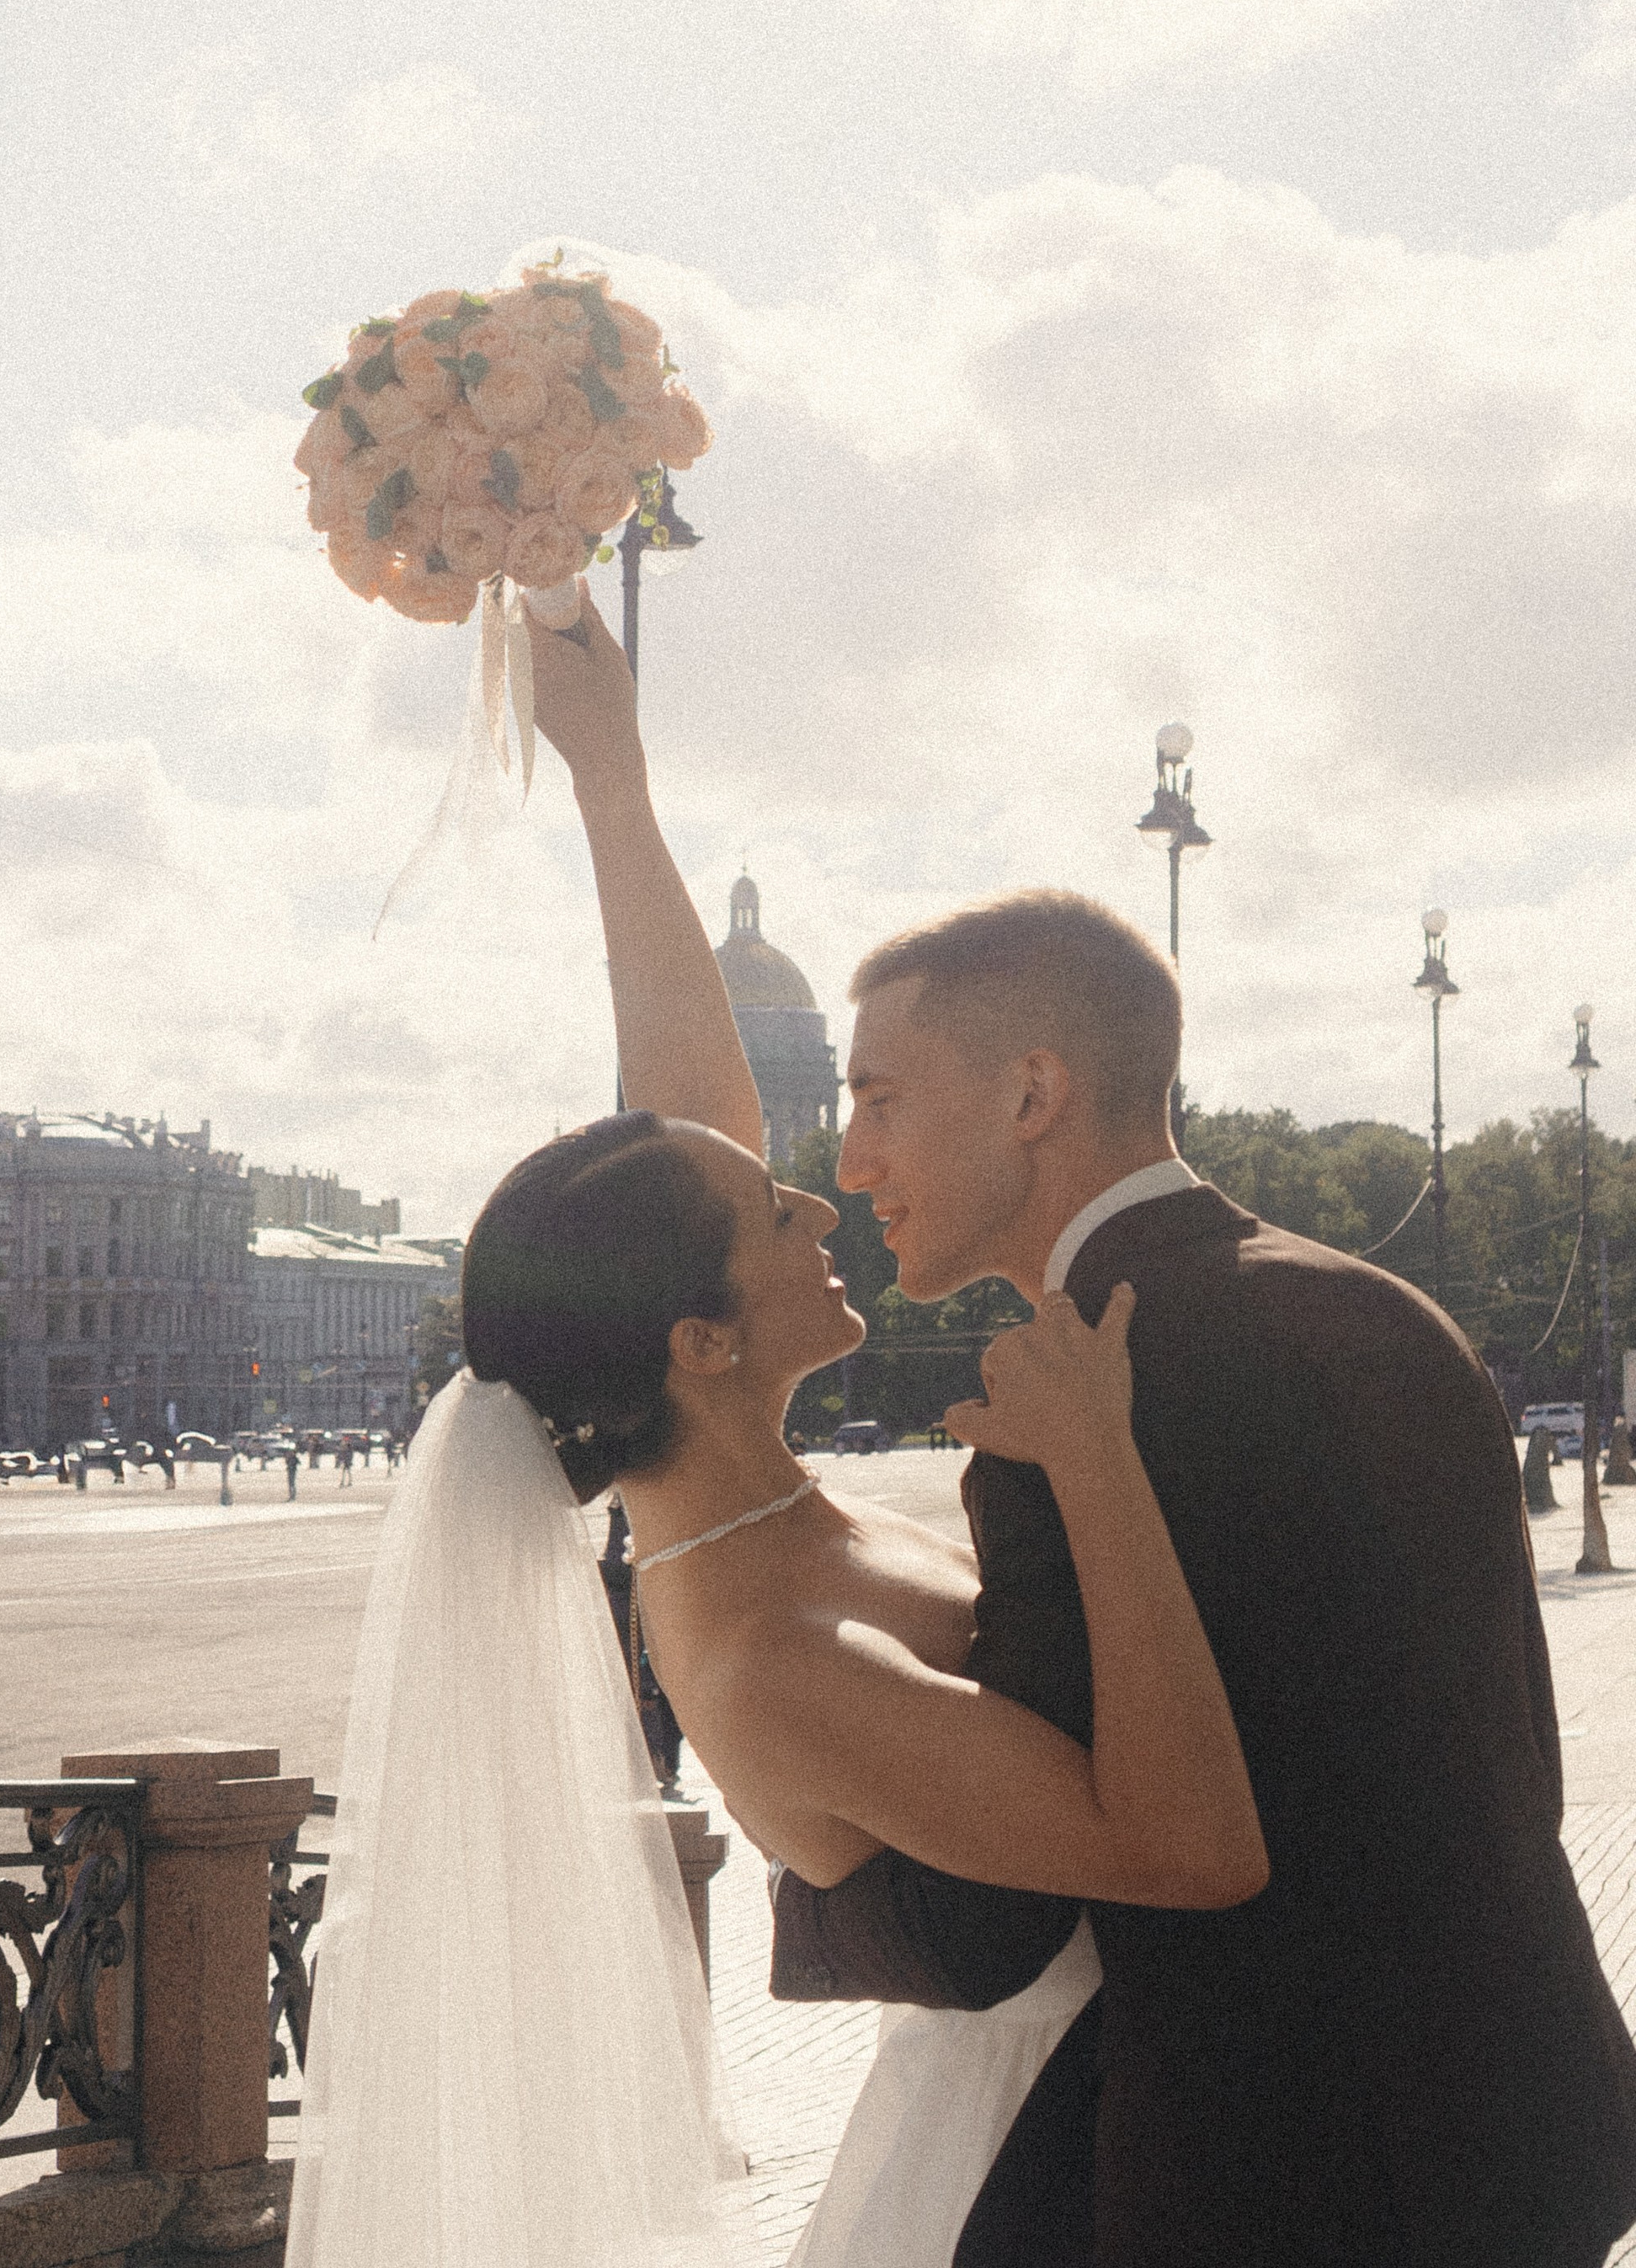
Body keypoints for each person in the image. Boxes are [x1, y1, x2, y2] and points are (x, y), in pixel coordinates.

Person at [539, 594, 1636, 2268]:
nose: (846, 1167)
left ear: (1033, 1094)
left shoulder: (1073, 1409)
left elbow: (1018, 1913)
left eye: (881, 1101)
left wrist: (814, 1893)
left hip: (1273, 2186)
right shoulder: (1388, 1315)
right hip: (1535, 2114)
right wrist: (613, 785)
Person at [285, 671, 1266, 2268]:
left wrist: (610, 774)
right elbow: (1194, 1853)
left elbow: (692, 1109)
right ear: (701, 1341)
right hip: (1032, 2181)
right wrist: (1097, 1464)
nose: (824, 1196)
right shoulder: (769, 1655)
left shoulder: (735, 1511)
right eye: (771, 1212)